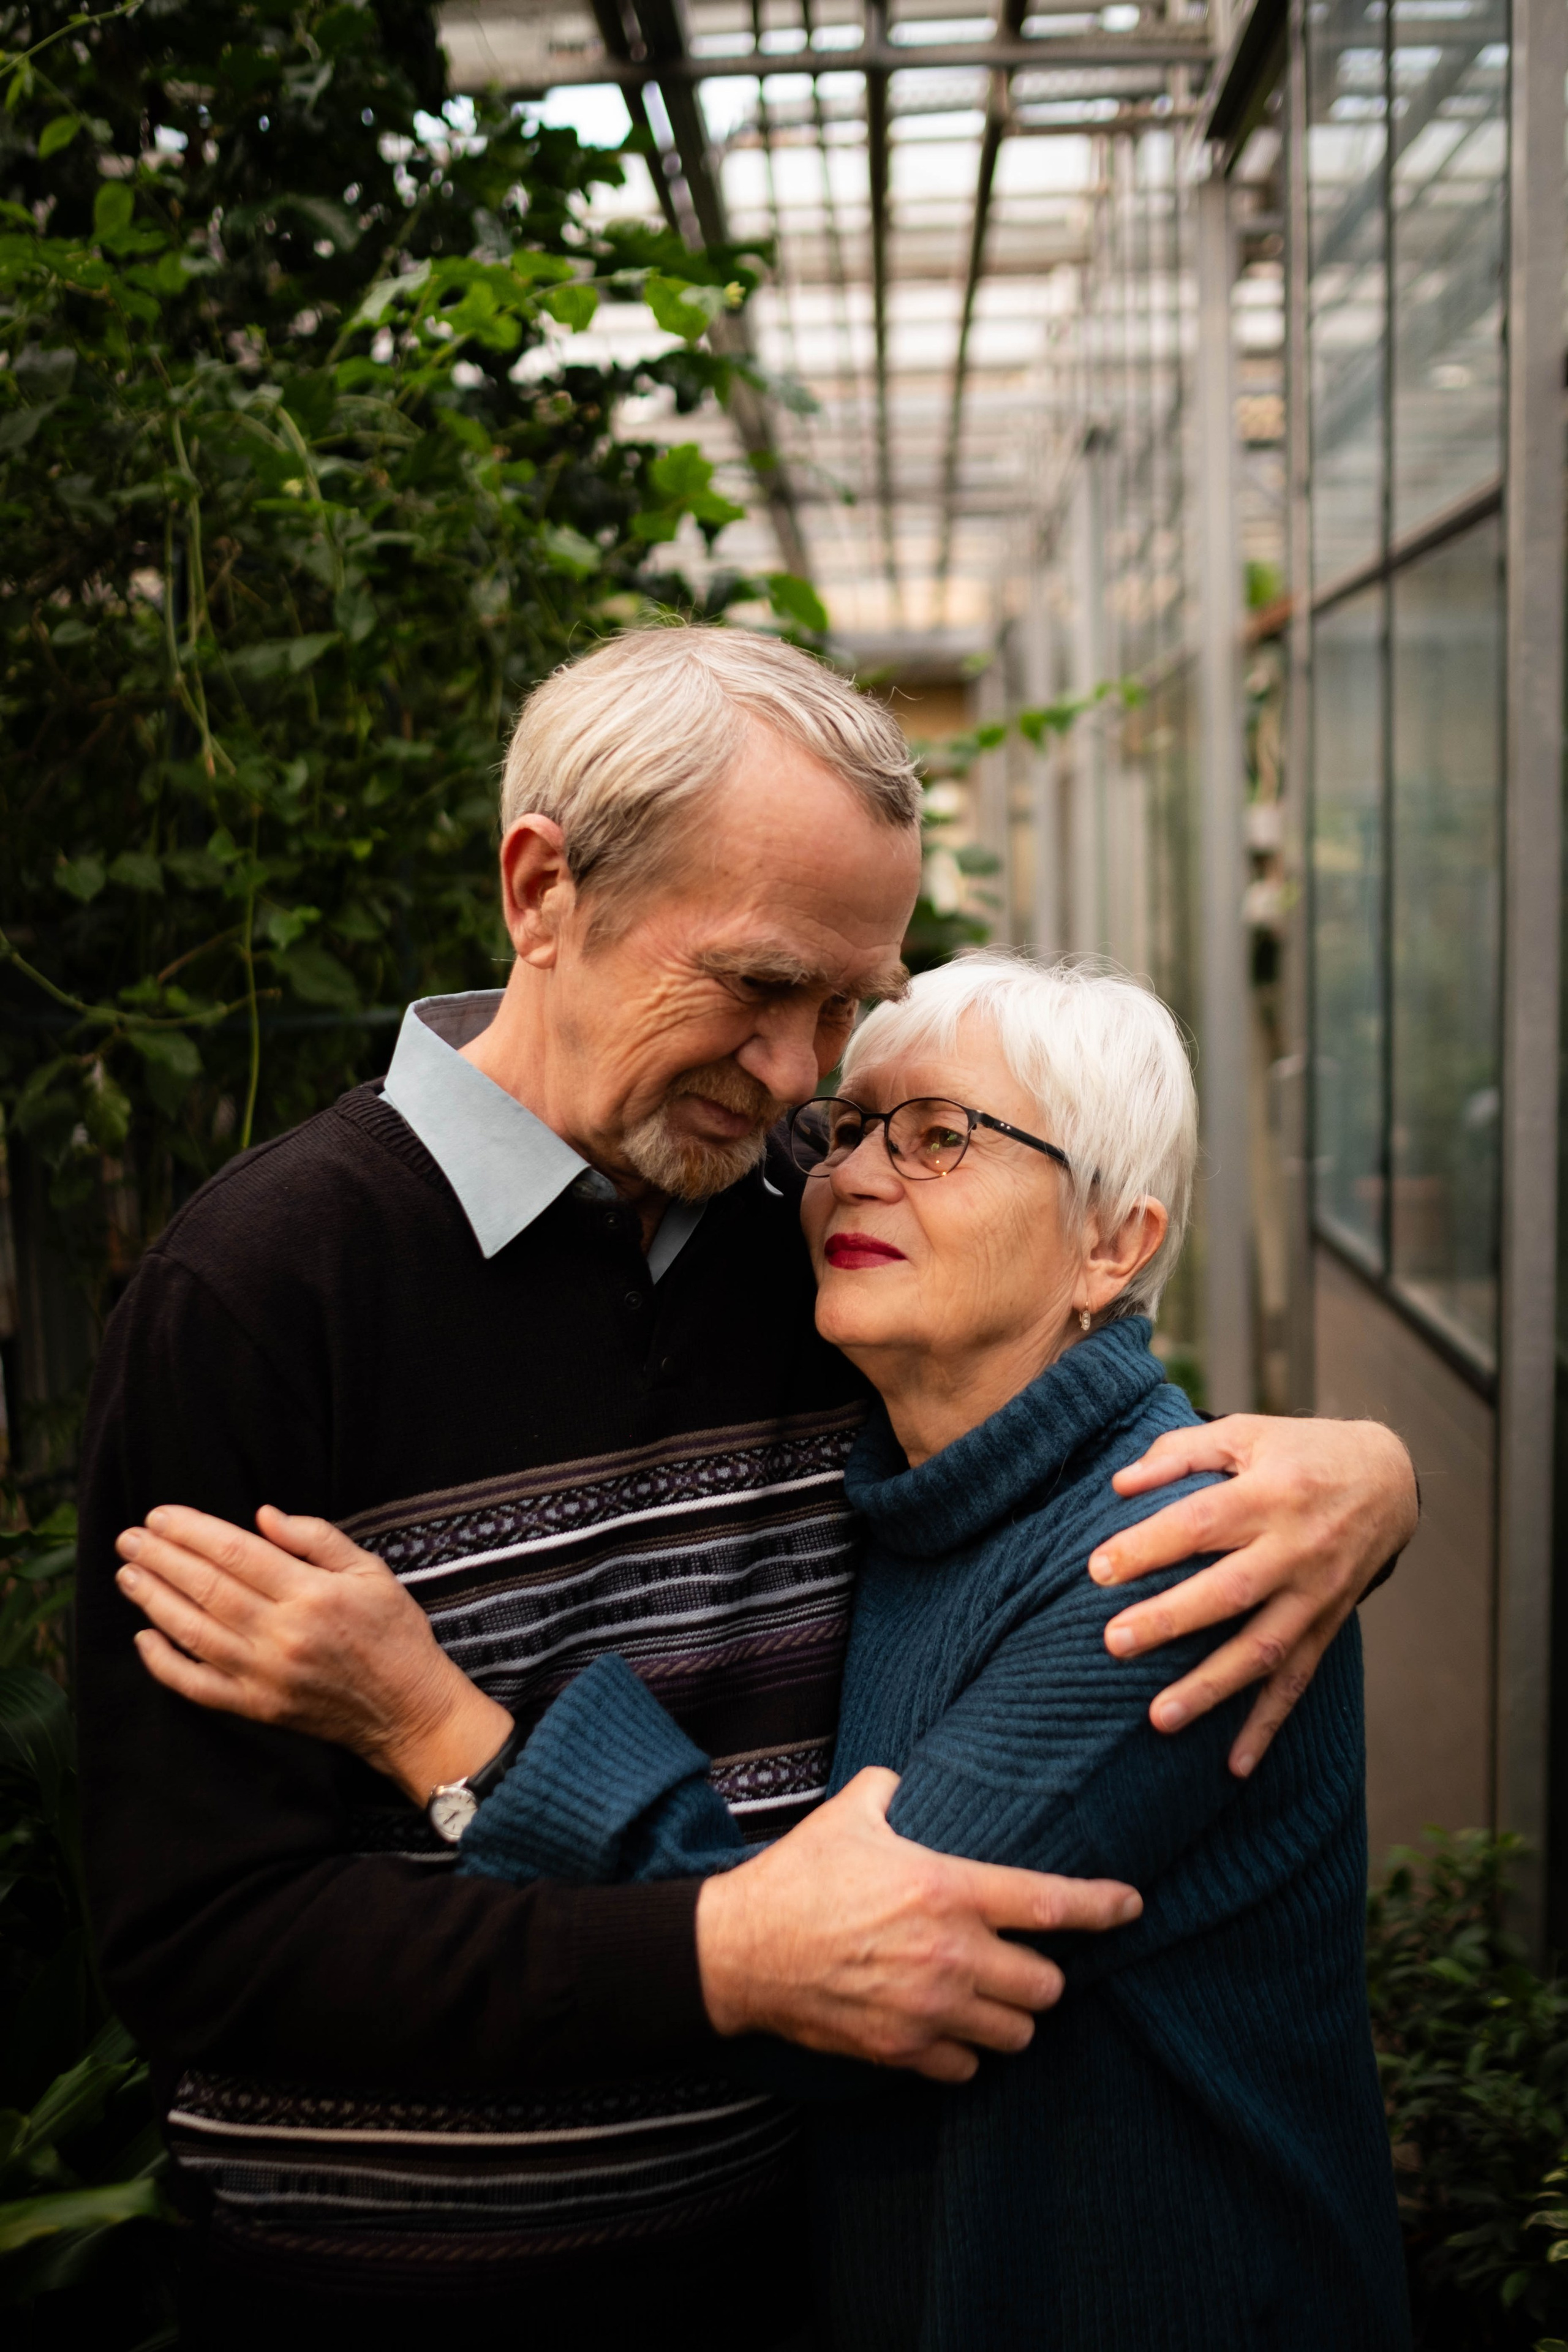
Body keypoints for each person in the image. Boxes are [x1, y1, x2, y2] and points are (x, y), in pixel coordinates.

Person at [85, 628, 1417, 2348]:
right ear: (542, 891)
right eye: (758, 987)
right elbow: (203, 1945)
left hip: (771, 2282)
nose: (805, 1085)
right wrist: (717, 1957)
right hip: (391, 2306)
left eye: (850, 1011)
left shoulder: (806, 1229)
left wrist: (1363, 1472)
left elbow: (1058, 1401)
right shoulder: (261, 1294)